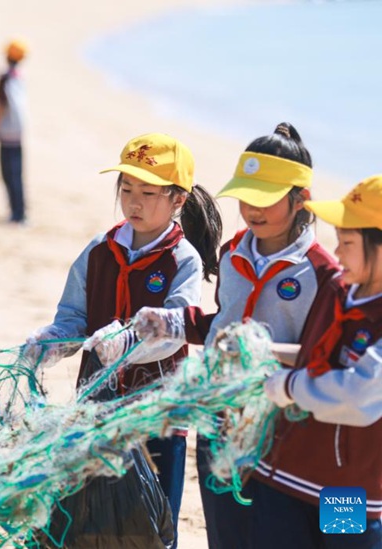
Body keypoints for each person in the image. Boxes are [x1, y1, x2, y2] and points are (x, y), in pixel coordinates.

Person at [132, 123, 341, 549]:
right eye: (245, 197)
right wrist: (173, 323)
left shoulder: (322, 274)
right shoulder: (233, 253)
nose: (251, 209)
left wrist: (260, 355)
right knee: (226, 537)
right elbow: (224, 327)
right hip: (219, 422)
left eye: (265, 199)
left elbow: (325, 357)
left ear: (301, 199)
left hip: (281, 437)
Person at [25, 133, 222, 547]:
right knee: (86, 522)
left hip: (158, 415)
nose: (134, 201)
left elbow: (176, 329)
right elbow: (72, 320)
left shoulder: (182, 259)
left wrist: (129, 342)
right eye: (127, 189)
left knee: (150, 525)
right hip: (96, 411)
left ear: (178, 201)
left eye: (148, 193)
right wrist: (48, 343)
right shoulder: (99, 251)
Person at [256, 175, 382, 548]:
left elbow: (359, 394)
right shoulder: (337, 290)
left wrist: (289, 386)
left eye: (347, 242)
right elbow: (316, 359)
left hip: (347, 489)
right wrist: (265, 353)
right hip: (282, 473)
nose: (337, 253)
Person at [0, 39, 28, 224]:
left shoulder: (6, 78)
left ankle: (16, 213)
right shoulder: (18, 76)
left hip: (7, 133)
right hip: (19, 132)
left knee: (8, 174)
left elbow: (1, 108)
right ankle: (20, 212)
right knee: (17, 175)